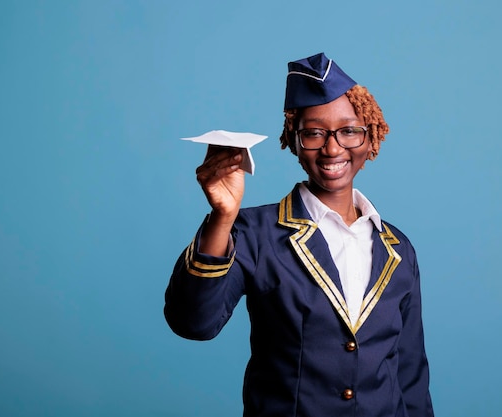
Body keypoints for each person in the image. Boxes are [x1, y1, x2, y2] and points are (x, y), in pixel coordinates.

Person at [165, 52, 434, 417]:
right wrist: (222, 217)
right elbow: (193, 323)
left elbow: (411, 374)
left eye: (349, 130)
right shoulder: (254, 232)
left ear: (371, 138)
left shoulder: (398, 248)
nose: (333, 147)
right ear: (292, 141)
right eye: (314, 133)